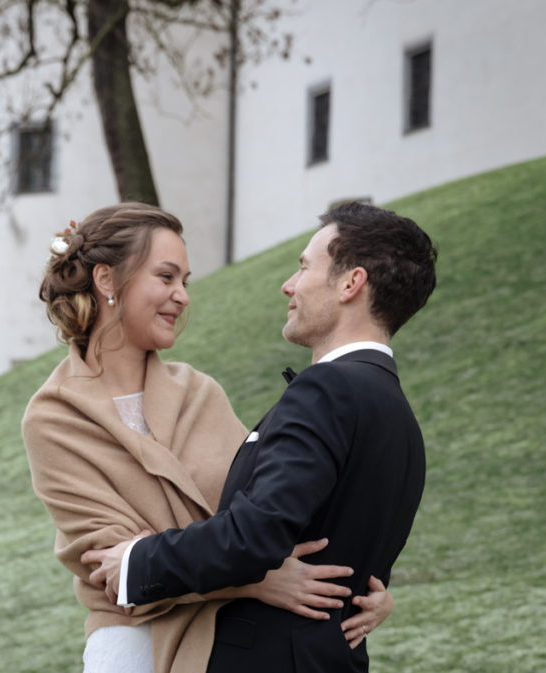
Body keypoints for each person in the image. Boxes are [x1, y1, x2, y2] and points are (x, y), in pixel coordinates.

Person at [22, 203, 393, 673]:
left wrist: (366, 587)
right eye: (166, 277)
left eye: (186, 282)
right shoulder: (54, 417)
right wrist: (255, 581)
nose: (182, 296)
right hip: (137, 643)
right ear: (106, 280)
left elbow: (271, 511)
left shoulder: (200, 391)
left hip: (243, 635)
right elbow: (113, 566)